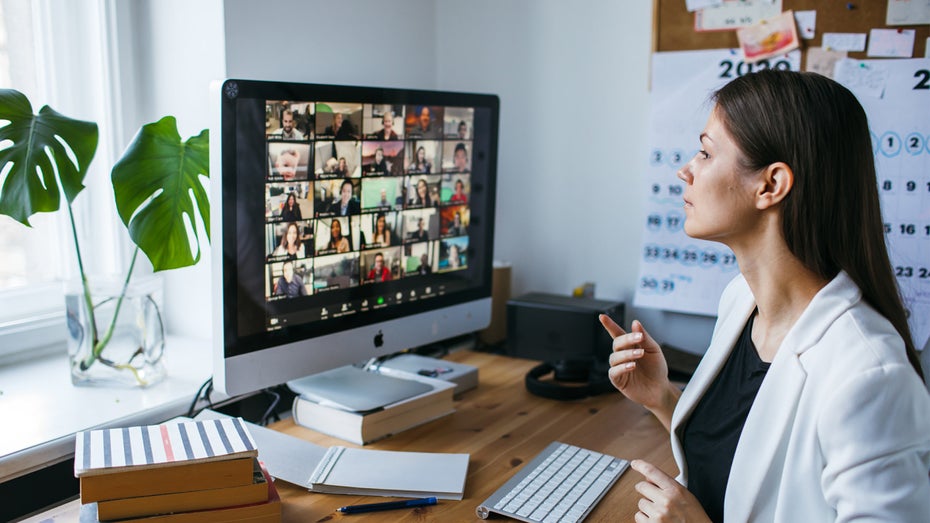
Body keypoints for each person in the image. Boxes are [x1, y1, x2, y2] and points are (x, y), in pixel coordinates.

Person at [600, 70, 930, 522]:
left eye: (704, 152)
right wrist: (662, 397)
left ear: (771, 185)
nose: (685, 170)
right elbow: (744, 464)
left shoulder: (869, 374)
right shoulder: (741, 301)